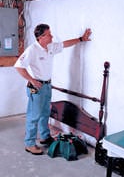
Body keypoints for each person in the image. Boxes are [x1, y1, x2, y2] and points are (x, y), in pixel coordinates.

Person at [14, 24, 92, 155]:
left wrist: (81, 39)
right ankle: (29, 144)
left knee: (45, 113)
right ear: (41, 37)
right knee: (34, 116)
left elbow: (64, 44)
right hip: (36, 88)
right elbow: (18, 66)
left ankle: (45, 137)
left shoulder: (50, 47)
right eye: (49, 34)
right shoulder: (32, 50)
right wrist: (32, 80)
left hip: (47, 86)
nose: (52, 36)